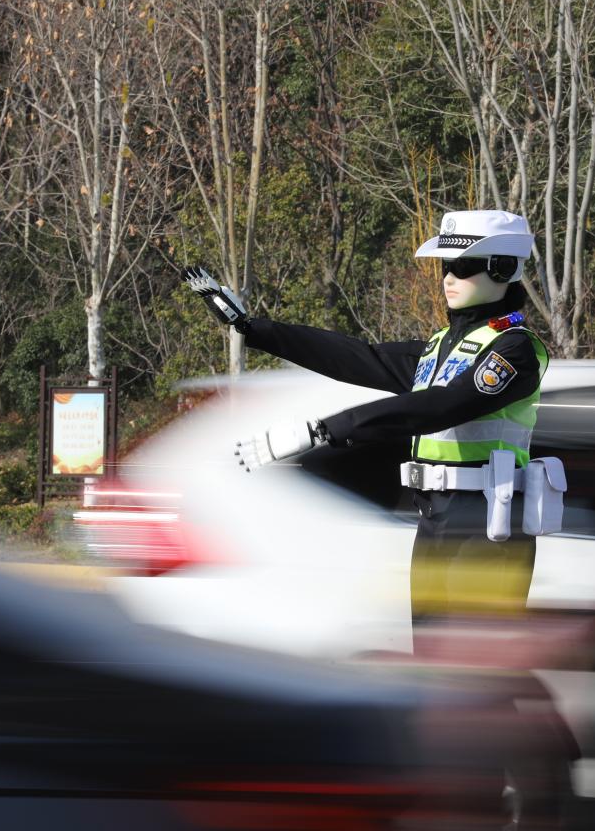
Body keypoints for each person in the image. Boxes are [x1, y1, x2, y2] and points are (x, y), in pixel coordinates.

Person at [182, 210, 549, 621]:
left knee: (475, 654)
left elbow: (442, 405)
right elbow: (359, 357)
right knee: (431, 655)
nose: (448, 277)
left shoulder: (514, 350)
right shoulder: (440, 346)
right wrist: (252, 328)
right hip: (436, 518)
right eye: (446, 265)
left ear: (503, 268)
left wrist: (324, 429)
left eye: (463, 267)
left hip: (487, 526)